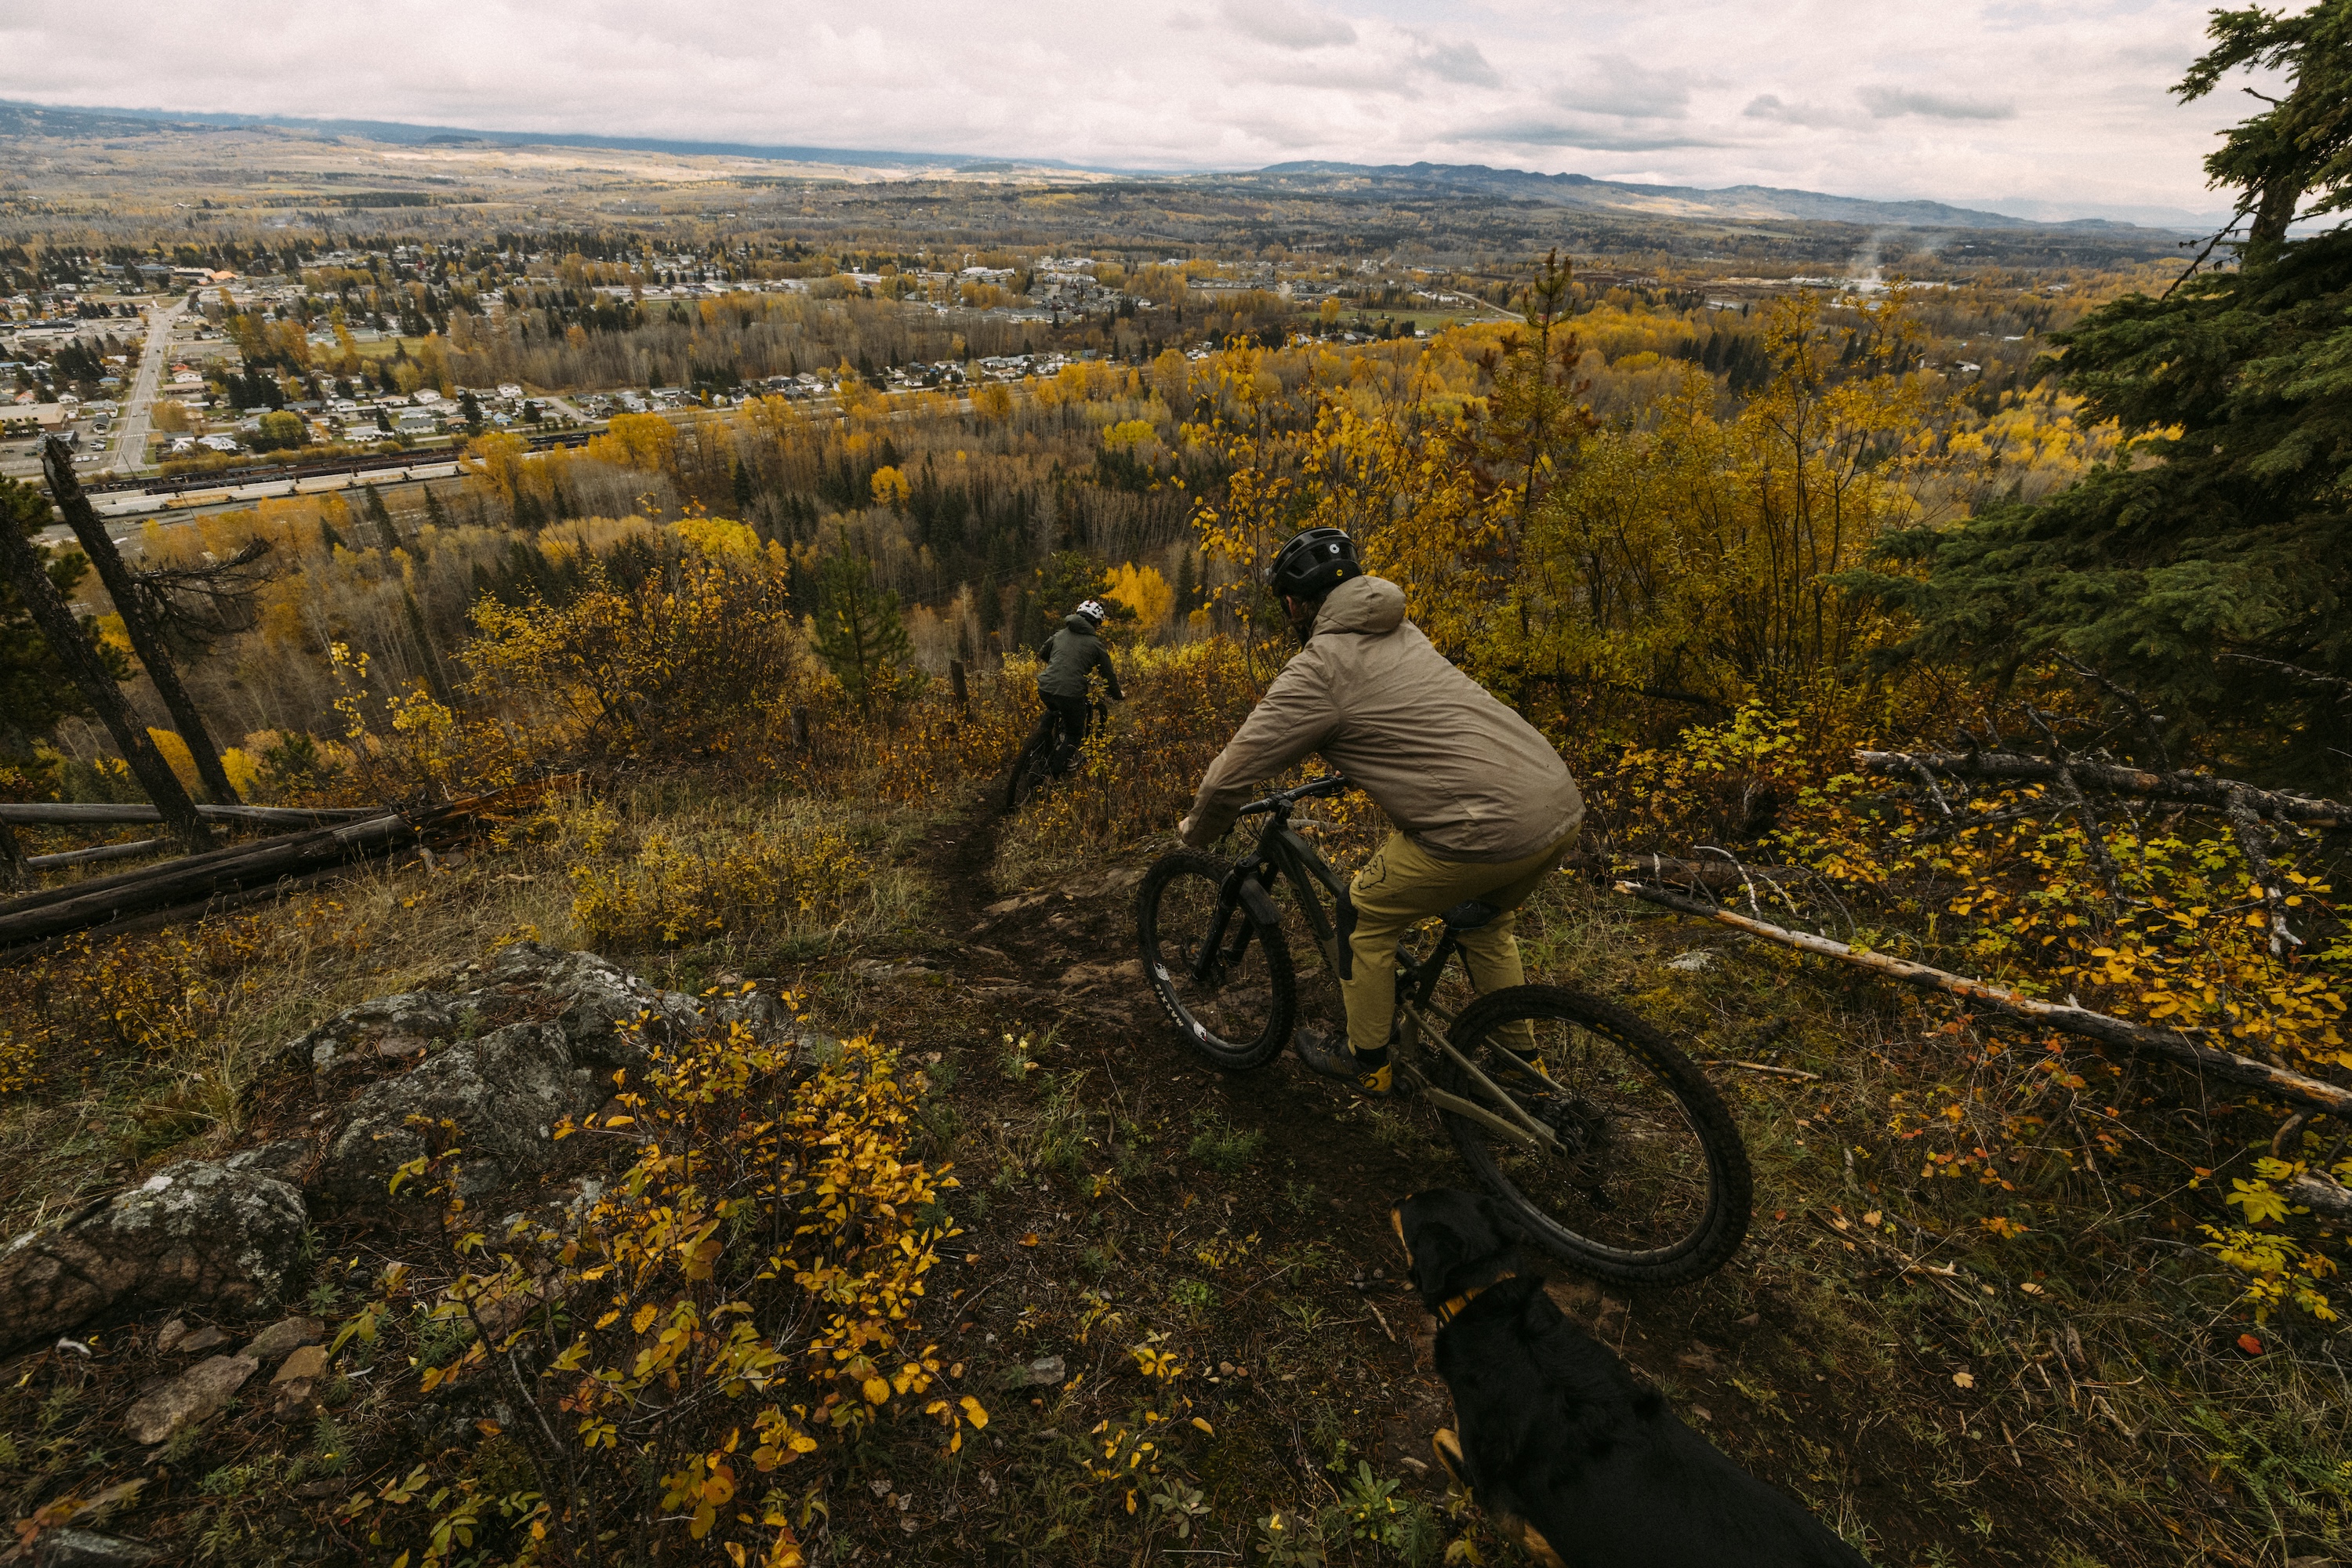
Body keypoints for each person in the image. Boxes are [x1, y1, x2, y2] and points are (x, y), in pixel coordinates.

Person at [1178, 528, 1583, 1097]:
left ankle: (1366, 1062)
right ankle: (1521, 1066)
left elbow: (1229, 776)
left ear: (1295, 604)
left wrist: (1198, 832)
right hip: (1556, 802)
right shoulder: (1403, 632)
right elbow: (1416, 719)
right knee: (1485, 922)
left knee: (1362, 914)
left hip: (1484, 828)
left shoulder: (1320, 668)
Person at [1031, 597, 1123, 774]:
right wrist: (1117, 694)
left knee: (1052, 709)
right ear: (1095, 623)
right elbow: (1108, 675)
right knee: (1074, 734)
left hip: (1045, 686)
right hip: (1071, 694)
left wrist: (1058, 665)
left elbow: (1043, 653)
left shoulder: (1060, 634)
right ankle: (1054, 774)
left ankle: (1037, 750)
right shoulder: (1095, 645)